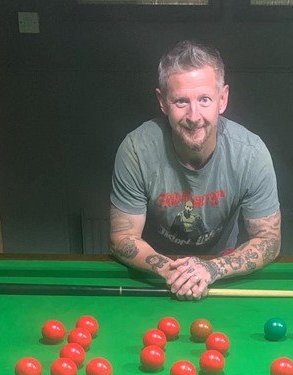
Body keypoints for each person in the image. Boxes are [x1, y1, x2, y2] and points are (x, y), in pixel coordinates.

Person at [109, 40, 281, 300]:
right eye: (180, 101)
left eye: (204, 99)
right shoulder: (136, 149)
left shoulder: (251, 153)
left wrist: (212, 268)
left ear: (222, 99)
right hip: (157, 275)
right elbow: (123, 236)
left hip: (222, 272)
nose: (194, 115)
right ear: (163, 102)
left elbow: (269, 239)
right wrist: (173, 271)